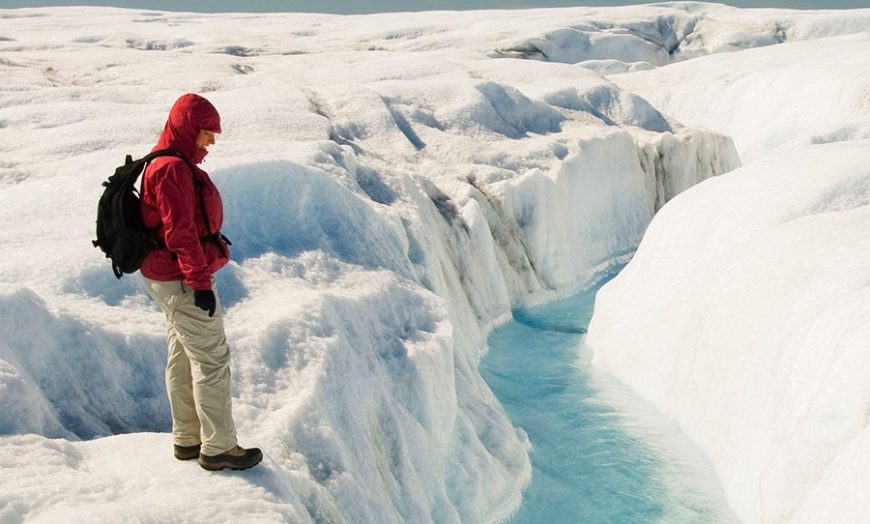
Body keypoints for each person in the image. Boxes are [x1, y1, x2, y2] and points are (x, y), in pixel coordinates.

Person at [140, 93, 262, 471]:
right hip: (181, 279)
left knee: (183, 355)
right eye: (207, 133)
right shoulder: (171, 170)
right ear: (188, 129)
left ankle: (188, 439)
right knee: (211, 359)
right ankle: (220, 447)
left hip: (168, 277)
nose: (212, 141)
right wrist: (201, 283)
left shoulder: (168, 163)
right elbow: (181, 234)